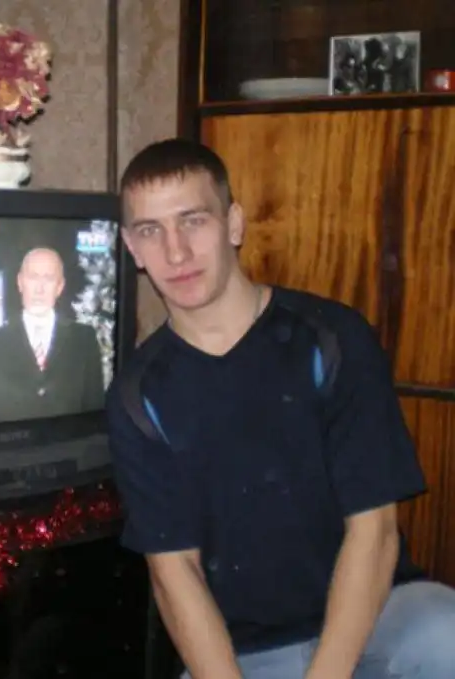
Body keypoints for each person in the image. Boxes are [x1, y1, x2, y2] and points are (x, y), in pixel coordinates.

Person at [107, 138, 455, 679]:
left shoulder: (332, 338)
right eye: (151, 230)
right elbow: (175, 573)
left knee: (445, 631)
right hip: (245, 653)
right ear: (132, 247)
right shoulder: (138, 394)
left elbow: (376, 532)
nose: (175, 252)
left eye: (193, 221)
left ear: (234, 224)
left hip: (376, 617)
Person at [0, 247, 104, 425]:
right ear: (20, 282)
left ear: (60, 287)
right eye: (33, 277)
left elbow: (94, 421)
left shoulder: (84, 340)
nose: (39, 289)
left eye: (48, 279)